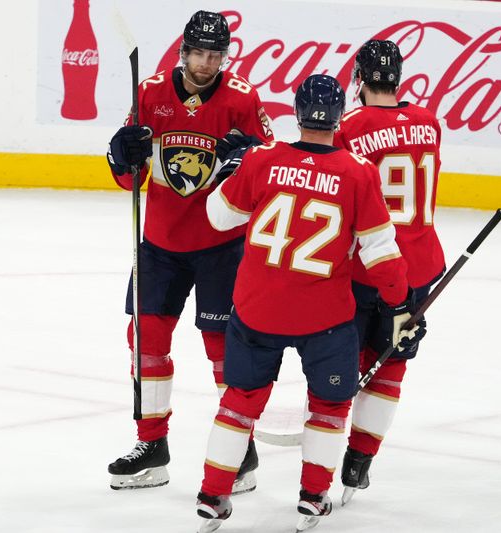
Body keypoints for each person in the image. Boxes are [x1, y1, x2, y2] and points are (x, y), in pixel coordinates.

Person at [196, 74, 422, 533]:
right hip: (324, 316)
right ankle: (313, 496)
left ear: (295, 114)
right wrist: (400, 305)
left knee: (239, 400)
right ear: (339, 116)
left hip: (256, 309)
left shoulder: (261, 159)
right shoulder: (358, 172)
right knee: (329, 404)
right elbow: (381, 253)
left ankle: (213, 493)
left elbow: (218, 217)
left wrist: (230, 169)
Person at [105, 10, 274, 492]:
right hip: (160, 244)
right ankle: (151, 445)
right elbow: (127, 178)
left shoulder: (242, 99)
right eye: (199, 53)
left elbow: (270, 172)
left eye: (215, 54)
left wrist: (249, 162)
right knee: (146, 343)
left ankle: (239, 449)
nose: (206, 63)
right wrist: (122, 156)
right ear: (183, 53)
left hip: (222, 246)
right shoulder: (151, 93)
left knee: (222, 351)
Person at [333, 39, 446, 505]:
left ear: (359, 79)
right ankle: (360, 460)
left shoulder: (349, 128)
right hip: (420, 265)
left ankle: (322, 455)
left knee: (343, 361)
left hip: (366, 268)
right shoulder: (429, 123)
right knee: (391, 363)